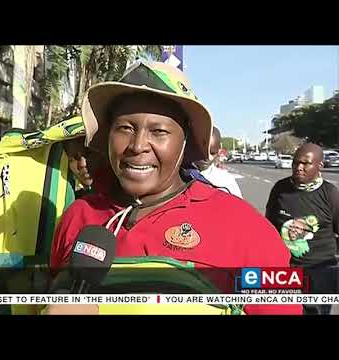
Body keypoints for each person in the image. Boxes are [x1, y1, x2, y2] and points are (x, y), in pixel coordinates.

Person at [48, 61, 302, 315]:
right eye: (125, 128)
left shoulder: (247, 229)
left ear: (185, 143)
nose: (137, 146)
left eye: (158, 131)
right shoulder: (78, 216)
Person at [266, 143, 339, 315]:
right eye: (295, 162)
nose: (298, 167)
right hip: (286, 269)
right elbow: (269, 226)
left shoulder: (330, 194)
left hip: (320, 270)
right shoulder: (280, 189)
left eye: (306, 163)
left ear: (320, 166)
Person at [188, 127, 243, 198]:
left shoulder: (227, 181)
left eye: (212, 153)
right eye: (202, 152)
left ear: (218, 151)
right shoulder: (178, 177)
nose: (207, 158)